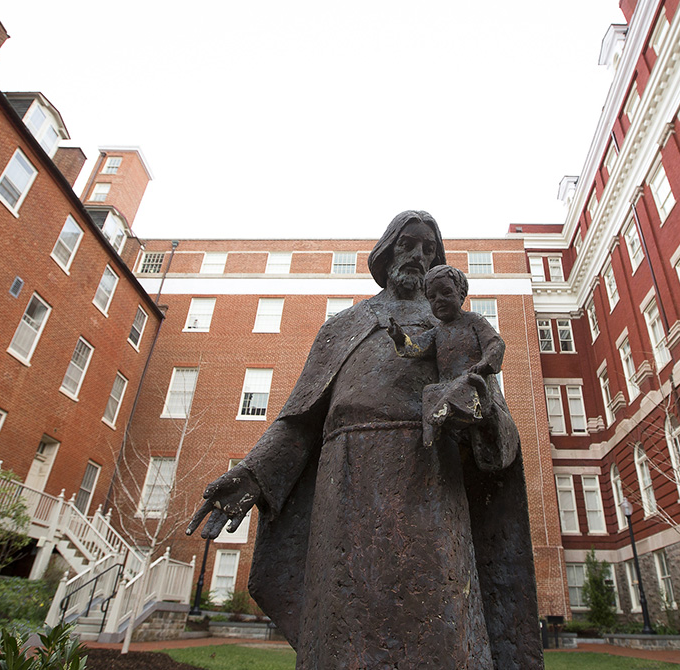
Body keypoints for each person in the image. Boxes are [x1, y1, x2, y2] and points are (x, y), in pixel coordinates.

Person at [187, 211, 542, 669]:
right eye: (407, 244)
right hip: (346, 495)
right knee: (341, 635)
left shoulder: (454, 330)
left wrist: (477, 411)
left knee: (439, 630)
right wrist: (254, 474)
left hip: (431, 495)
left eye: (428, 249)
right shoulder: (342, 327)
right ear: (386, 250)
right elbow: (298, 422)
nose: (417, 255)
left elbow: (501, 438)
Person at [386, 264, 506, 449]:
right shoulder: (437, 332)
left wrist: (484, 363)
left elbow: (495, 343)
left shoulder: (474, 321)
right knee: (430, 392)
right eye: (432, 297)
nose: (439, 300)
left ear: (461, 293)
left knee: (460, 387)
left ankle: (449, 414)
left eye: (446, 293)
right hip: (446, 386)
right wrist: (400, 338)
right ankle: (431, 435)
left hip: (471, 382)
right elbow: (417, 346)